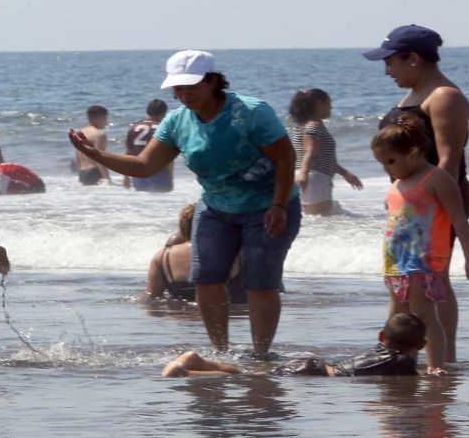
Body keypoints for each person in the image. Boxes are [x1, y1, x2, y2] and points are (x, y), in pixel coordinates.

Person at [70, 50, 301, 356]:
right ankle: (221, 351)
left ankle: (260, 354)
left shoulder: (251, 112)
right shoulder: (177, 121)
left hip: (268, 205)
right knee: (206, 279)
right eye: (178, 88)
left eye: (191, 86)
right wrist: (99, 156)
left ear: (213, 81)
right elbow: (144, 166)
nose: (184, 94)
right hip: (216, 206)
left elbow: (285, 157)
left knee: (259, 283)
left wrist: (279, 205)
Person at [364, 24, 469, 363]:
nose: (386, 71)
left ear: (413, 58)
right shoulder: (412, 93)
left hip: (435, 201)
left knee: (433, 282)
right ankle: (401, 355)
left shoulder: (444, 96)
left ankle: (443, 360)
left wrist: (436, 209)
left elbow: (448, 158)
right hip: (408, 202)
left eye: (390, 62)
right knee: (405, 283)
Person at [371, 113, 469, 374]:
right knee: (396, 320)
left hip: (423, 263)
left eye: (391, 161)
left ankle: (436, 365)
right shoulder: (398, 183)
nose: (387, 169)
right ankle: (395, 364)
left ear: (412, 152)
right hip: (395, 263)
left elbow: (459, 221)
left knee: (424, 317)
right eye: (382, 164)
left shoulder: (436, 179)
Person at [160, 313, 426, 377]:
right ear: (422, 344)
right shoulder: (403, 362)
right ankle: (187, 372)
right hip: (316, 374)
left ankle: (198, 362)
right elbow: (413, 376)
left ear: (381, 336)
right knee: (246, 379)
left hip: (316, 367)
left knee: (250, 376)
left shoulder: (381, 349)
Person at [144, 203, 247, 303]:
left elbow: (152, 298)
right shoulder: (236, 252)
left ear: (182, 228)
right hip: (228, 316)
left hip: (181, 317)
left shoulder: (162, 256)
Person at [288, 89, 363, 215]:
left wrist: (345, 173)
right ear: (318, 103)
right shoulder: (313, 126)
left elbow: (322, 157)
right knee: (322, 218)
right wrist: (304, 174)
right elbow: (309, 151)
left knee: (315, 219)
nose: (331, 107)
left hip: (308, 176)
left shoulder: (303, 125)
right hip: (314, 178)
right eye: (329, 103)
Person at [124, 99, 173, 193]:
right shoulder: (163, 127)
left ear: (147, 112)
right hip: (158, 173)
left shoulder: (133, 127)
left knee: (143, 203)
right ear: (164, 112)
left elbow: (129, 153)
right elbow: (168, 156)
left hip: (138, 172)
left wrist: (126, 176)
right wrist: (170, 177)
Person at [74, 105, 111, 185]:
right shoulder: (99, 134)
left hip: (82, 173)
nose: (106, 123)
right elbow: (100, 159)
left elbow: (77, 158)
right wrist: (107, 179)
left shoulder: (79, 133)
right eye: (105, 119)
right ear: (99, 119)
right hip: (95, 173)